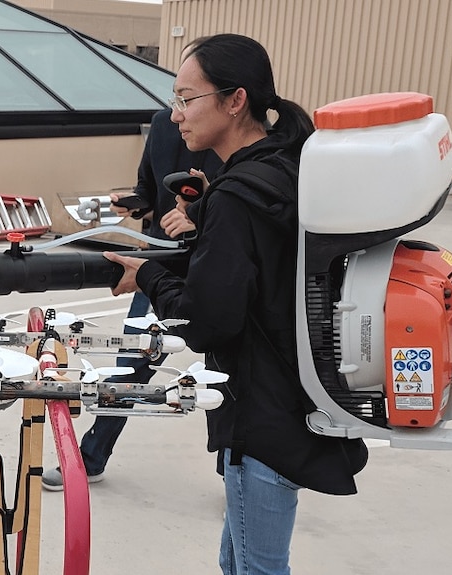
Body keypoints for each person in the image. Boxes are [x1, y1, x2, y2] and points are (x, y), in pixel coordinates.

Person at [104, 34, 368, 574]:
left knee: (258, 569)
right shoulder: (286, 164)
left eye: (186, 98)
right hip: (298, 396)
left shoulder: (238, 194)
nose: (176, 115)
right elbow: (257, 274)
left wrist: (150, 273)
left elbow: (207, 322)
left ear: (234, 100)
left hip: (263, 412)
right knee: (240, 563)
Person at [41, 46, 224, 492]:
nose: (180, 110)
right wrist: (113, 204)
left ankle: (236, 475)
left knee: (226, 375)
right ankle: (91, 458)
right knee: (131, 365)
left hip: (221, 265)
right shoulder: (163, 126)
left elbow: (243, 203)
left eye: (189, 96)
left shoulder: (237, 139)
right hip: (159, 266)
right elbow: (147, 190)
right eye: (176, 96)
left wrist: (199, 215)